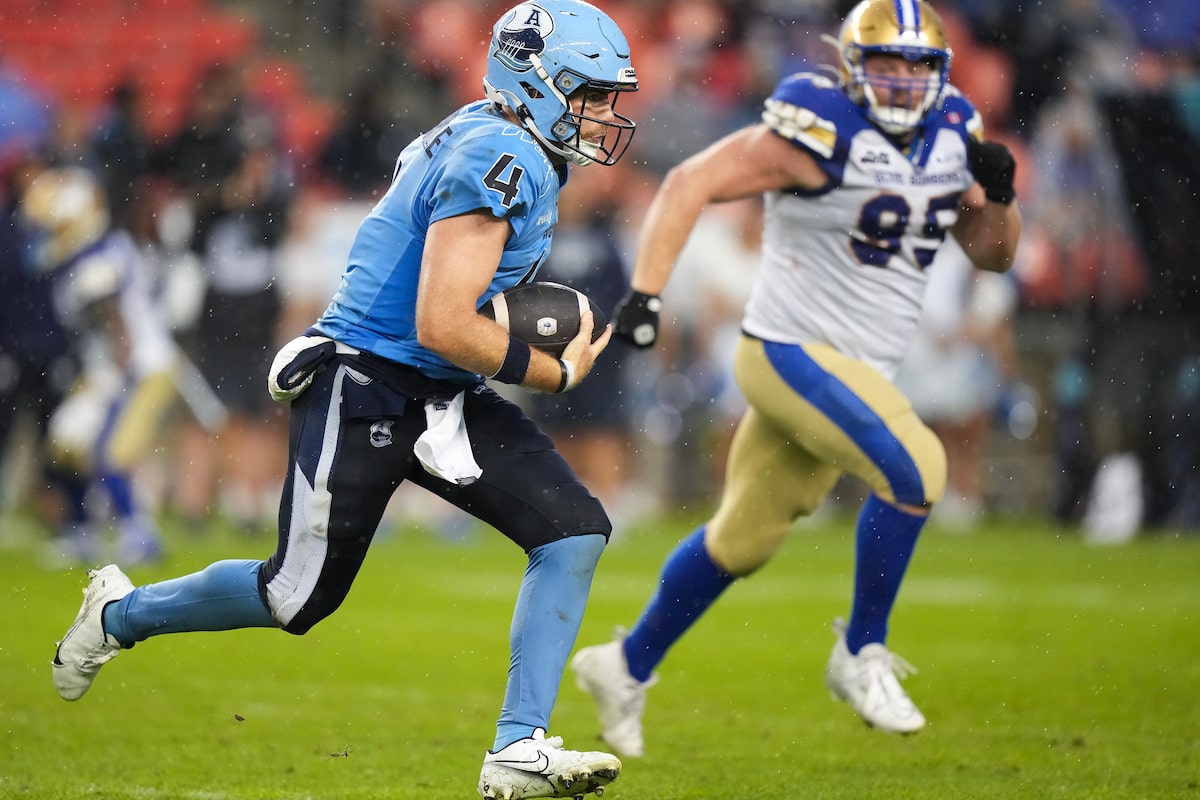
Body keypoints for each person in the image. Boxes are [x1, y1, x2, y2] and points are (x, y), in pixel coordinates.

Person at [51, 3, 638, 799]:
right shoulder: (502, 153)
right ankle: (117, 616)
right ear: (535, 81)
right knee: (293, 597)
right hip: (368, 383)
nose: (602, 114)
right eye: (589, 93)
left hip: (438, 385)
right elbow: (440, 320)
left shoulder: (495, 135)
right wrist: (551, 372)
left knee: (573, 531)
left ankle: (517, 746)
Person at [571, 0, 1022, 757]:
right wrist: (645, 294)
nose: (904, 80)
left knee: (741, 540)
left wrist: (1000, 199)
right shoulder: (817, 130)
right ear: (852, 68)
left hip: (861, 367)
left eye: (919, 65)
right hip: (788, 352)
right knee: (918, 468)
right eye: (887, 62)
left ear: (941, 73)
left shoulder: (954, 132)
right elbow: (687, 182)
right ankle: (862, 651)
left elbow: (993, 254)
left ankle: (624, 665)